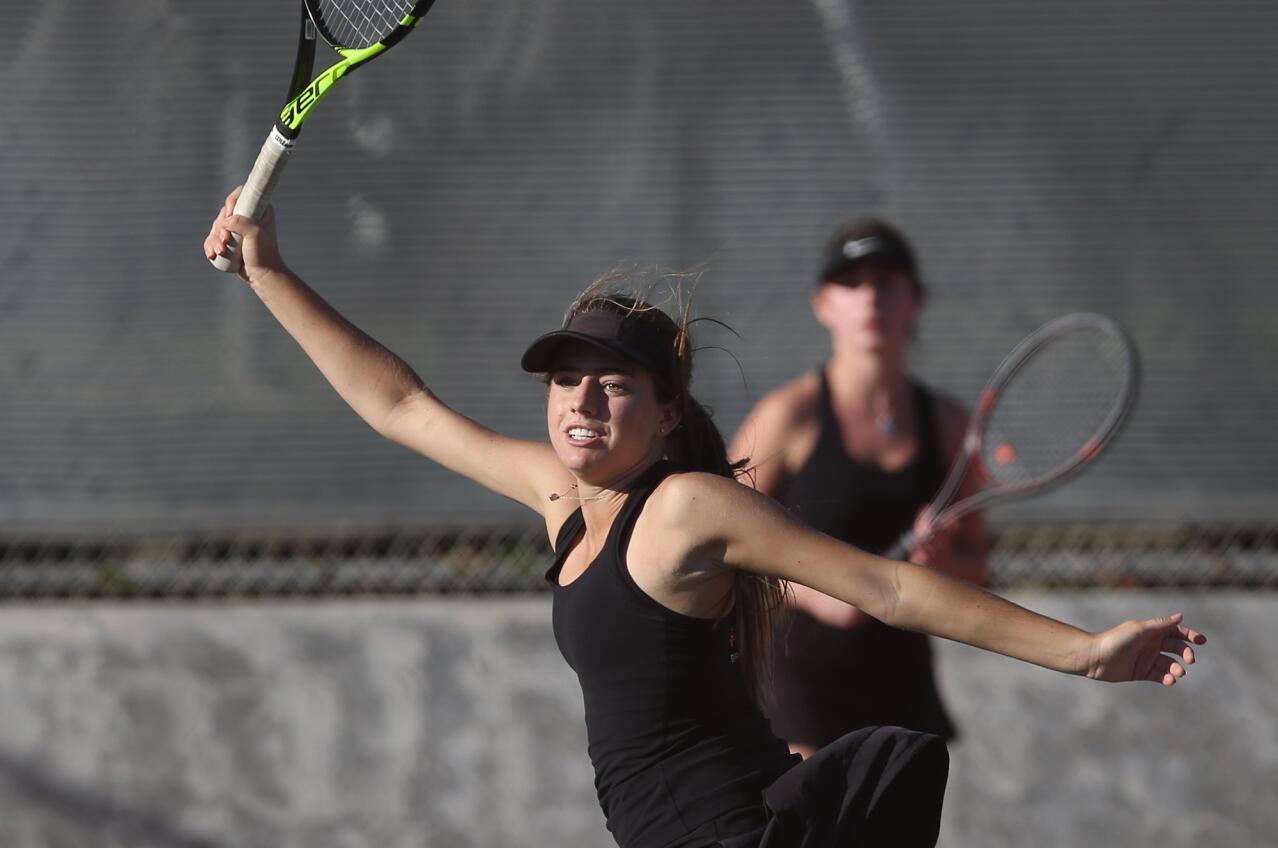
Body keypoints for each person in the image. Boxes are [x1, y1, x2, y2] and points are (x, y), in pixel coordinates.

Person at [203, 193, 1204, 848]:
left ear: (667, 411)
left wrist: (1087, 655)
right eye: (565, 382)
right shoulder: (560, 496)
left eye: (614, 385)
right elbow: (398, 407)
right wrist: (270, 273)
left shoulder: (684, 508)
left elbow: (888, 586)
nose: (582, 402)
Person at [729, 218, 986, 758]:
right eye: (851, 284)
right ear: (823, 304)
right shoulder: (787, 415)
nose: (870, 298)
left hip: (902, 690)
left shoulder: (948, 424)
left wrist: (936, 564)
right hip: (797, 692)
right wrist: (824, 591)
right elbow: (719, 542)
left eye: (888, 283)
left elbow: (976, 567)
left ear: (915, 300)